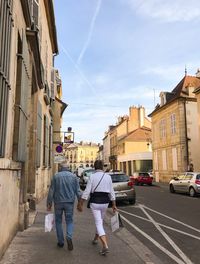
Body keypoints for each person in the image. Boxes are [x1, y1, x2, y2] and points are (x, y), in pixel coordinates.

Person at [77, 160, 117, 255]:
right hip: (105, 202)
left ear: (94, 167)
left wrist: (81, 203)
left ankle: (105, 246)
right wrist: (114, 205)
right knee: (100, 221)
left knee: (99, 222)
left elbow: (87, 191)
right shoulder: (108, 177)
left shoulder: (92, 176)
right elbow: (112, 192)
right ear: (103, 167)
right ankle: (95, 238)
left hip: (95, 202)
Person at [47, 164, 82, 250]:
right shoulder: (74, 177)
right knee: (69, 221)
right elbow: (78, 191)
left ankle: (61, 242)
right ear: (68, 168)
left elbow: (51, 190)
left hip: (58, 202)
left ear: (60, 168)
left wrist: (49, 203)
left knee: (58, 221)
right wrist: (80, 203)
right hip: (69, 202)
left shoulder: (56, 176)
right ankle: (69, 236)